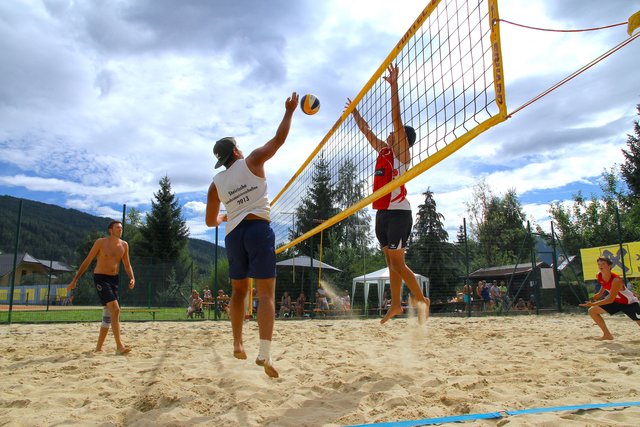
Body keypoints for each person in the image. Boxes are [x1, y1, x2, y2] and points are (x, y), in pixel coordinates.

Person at [205, 92, 298, 378]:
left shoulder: (216, 183)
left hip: (234, 236)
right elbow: (279, 140)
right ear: (235, 152)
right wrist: (289, 111)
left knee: (238, 292)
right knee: (266, 293)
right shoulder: (253, 160)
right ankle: (265, 353)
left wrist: (224, 216)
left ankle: (236, 343)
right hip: (258, 229)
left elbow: (210, 221)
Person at [346, 63, 430, 324]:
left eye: (396, 133)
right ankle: (395, 304)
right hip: (381, 213)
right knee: (393, 264)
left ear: (403, 138)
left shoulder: (402, 156)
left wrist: (394, 86)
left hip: (398, 214)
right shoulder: (384, 151)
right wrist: (354, 113)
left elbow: (397, 119)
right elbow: (367, 132)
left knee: (398, 262)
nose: (391, 132)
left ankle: (421, 299)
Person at [66, 220, 135, 354]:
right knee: (115, 309)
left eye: (121, 228)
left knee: (108, 314)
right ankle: (119, 346)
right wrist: (75, 279)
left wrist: (132, 277)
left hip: (114, 280)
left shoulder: (124, 245)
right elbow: (87, 261)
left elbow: (127, 264)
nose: (120, 230)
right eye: (117, 228)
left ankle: (98, 348)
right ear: (110, 230)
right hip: (101, 278)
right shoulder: (101, 242)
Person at [579, 257, 640, 340]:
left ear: (609, 266)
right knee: (592, 311)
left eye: (603, 264)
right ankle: (607, 335)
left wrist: (594, 303)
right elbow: (601, 293)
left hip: (629, 303)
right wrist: (592, 299)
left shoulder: (616, 280)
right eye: (599, 264)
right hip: (616, 301)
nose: (600, 266)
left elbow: (610, 299)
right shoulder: (599, 275)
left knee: (638, 320)